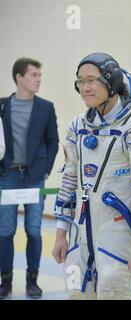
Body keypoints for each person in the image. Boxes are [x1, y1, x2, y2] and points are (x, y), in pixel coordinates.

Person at [51, 52, 131, 300]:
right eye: (80, 81)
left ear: (111, 82)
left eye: (92, 80)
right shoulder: (77, 126)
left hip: (120, 234)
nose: (85, 88)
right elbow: (69, 180)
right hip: (81, 233)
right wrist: (61, 232)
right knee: (77, 293)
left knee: (115, 292)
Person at [0, 57, 59, 299]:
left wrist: (45, 170)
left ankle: (32, 280)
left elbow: (52, 141)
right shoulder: (2, 106)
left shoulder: (46, 107)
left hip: (35, 178)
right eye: (34, 75)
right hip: (8, 177)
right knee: (5, 231)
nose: (38, 80)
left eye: (39, 76)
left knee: (34, 230)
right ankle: (6, 281)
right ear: (19, 78)